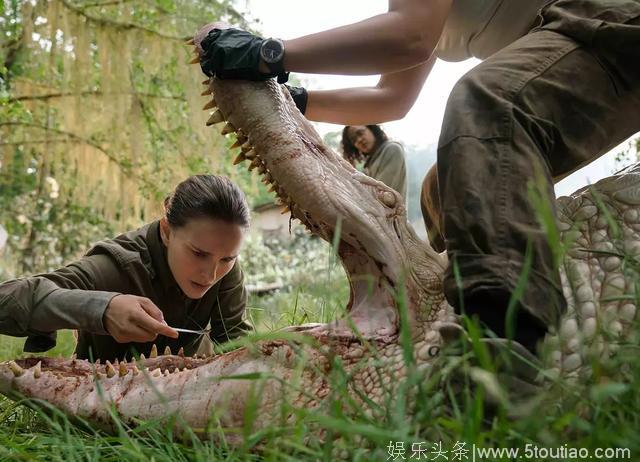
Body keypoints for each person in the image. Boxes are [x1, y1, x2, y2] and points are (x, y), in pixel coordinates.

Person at [193, 0, 640, 355]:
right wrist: (295, 100)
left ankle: (501, 345)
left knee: (487, 103)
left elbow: (408, 37)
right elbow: (393, 97)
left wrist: (268, 54)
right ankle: (451, 306)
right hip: (569, 39)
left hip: (607, 17)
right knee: (445, 188)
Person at [0, 175, 252, 361]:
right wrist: (102, 309)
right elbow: (7, 300)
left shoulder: (225, 267)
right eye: (198, 253)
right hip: (100, 410)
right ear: (166, 231)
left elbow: (237, 346)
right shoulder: (115, 266)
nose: (211, 274)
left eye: (227, 259)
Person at [341, 124, 407, 201]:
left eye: (360, 133)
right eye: (354, 140)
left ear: (371, 129)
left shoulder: (392, 149)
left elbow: (381, 193)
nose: (359, 140)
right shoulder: (370, 162)